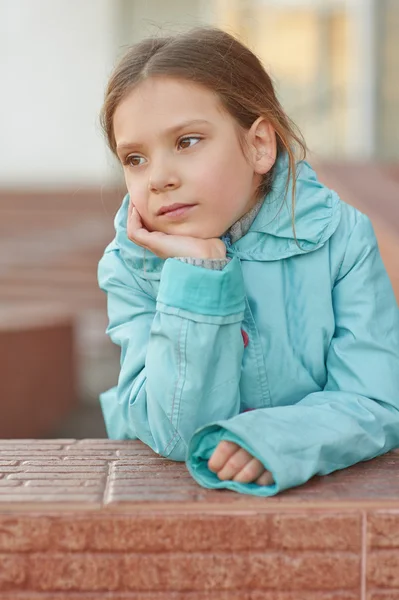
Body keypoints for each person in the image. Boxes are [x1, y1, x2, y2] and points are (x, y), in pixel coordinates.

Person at [97, 26, 399, 496]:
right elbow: (177, 434)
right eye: (135, 158)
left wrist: (276, 439)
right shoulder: (132, 264)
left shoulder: (340, 237)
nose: (158, 178)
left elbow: (377, 398)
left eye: (187, 142)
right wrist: (198, 274)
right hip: (165, 504)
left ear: (259, 144)